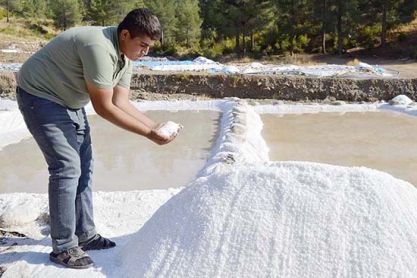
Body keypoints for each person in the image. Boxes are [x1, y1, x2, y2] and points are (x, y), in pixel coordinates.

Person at [15, 8, 177, 269]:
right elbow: (103, 108)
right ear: (125, 34)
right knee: (66, 168)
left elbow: (120, 101)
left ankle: (85, 235)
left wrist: (155, 125)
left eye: (149, 47)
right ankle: (64, 247)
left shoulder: (126, 56)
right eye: (143, 45)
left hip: (69, 100)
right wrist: (149, 134)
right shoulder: (99, 47)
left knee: (85, 166)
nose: (146, 52)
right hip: (40, 95)